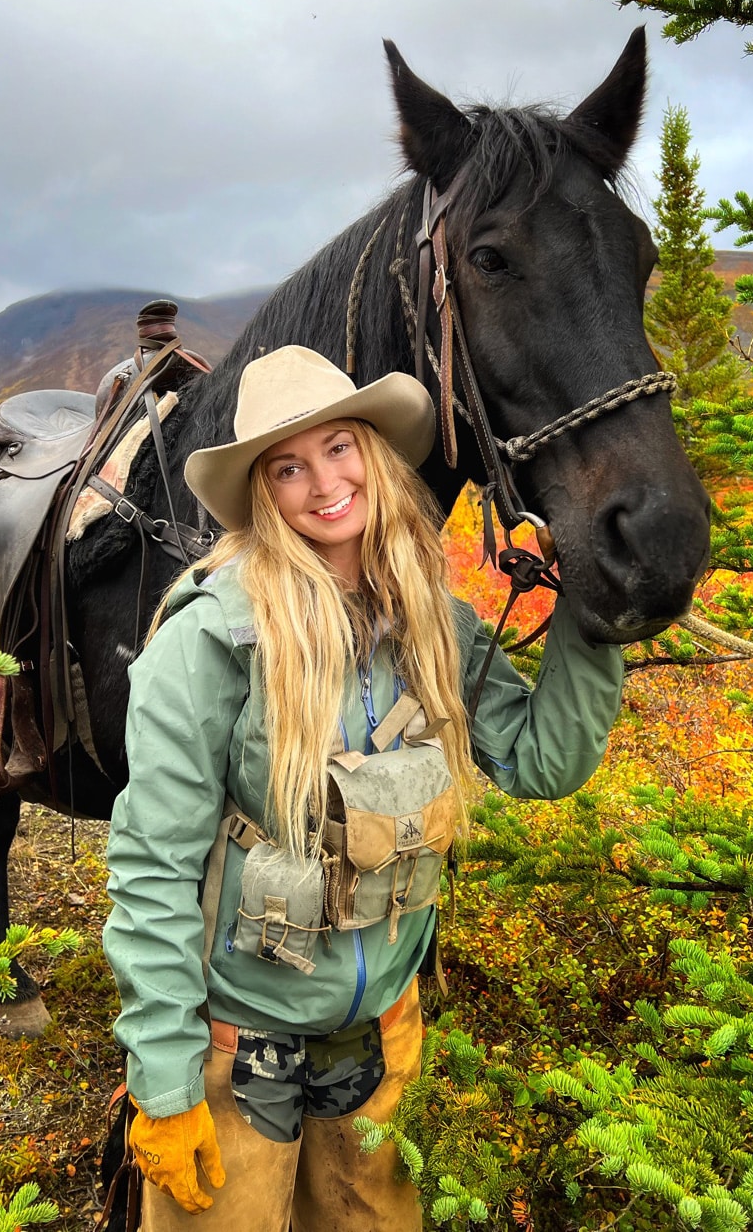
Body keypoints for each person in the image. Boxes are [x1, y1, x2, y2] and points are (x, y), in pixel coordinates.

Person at [102, 346, 624, 1230]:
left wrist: (596, 611)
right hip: (235, 1050)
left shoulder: (430, 622)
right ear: (262, 494)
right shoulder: (211, 642)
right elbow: (152, 868)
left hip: (384, 1039)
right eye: (288, 467)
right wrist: (163, 1080)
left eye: (339, 447)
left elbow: (543, 759)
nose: (323, 483)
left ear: (374, 454)